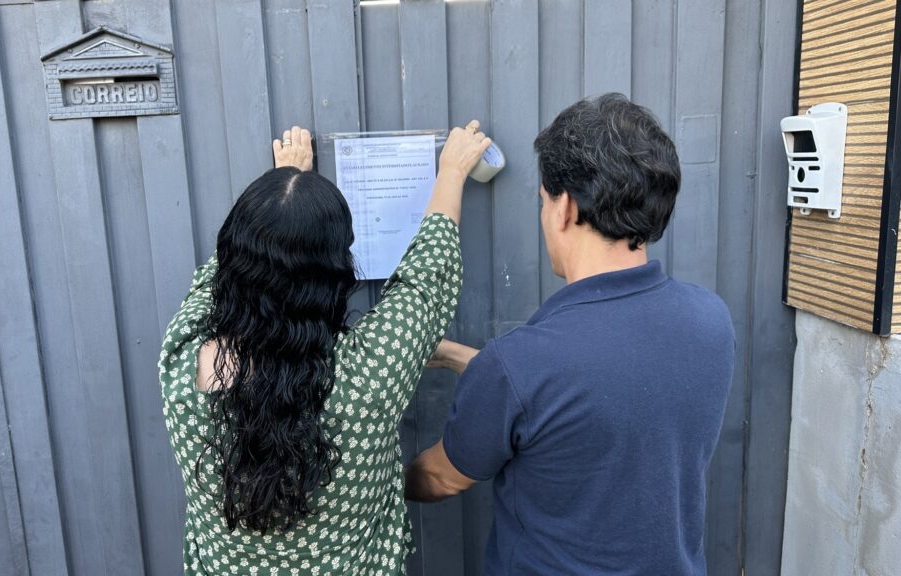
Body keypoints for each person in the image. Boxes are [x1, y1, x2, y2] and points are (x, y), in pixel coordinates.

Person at [405, 93, 735, 575]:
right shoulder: (712, 320)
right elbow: (595, 391)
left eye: (542, 201)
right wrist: (464, 358)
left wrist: (370, 486)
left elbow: (441, 477)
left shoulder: (521, 365)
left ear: (564, 208)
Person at [159, 122, 492, 575]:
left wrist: (282, 197)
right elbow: (427, 281)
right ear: (335, 272)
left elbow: (219, 276)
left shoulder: (180, 359)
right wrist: (452, 172)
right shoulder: (370, 370)